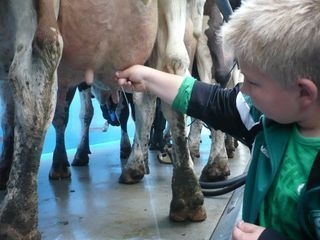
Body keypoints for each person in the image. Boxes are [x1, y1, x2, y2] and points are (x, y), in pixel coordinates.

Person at [114, 0, 320, 239]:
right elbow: (211, 101)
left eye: (252, 82)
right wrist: (149, 78)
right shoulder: (265, 118)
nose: (243, 89)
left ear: (304, 93)